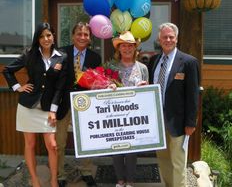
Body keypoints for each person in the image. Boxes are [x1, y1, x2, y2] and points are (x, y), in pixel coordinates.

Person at [3, 22, 67, 187]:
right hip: (28, 106)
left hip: (47, 108)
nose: (45, 39)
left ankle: (53, 180)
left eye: (48, 35)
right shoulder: (29, 54)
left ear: (53, 36)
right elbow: (7, 70)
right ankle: (35, 181)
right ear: (37, 39)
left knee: (52, 146)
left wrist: (53, 110)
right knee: (30, 144)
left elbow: (59, 87)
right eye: (41, 36)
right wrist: (18, 87)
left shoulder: (62, 57)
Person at [148, 22, 200, 187]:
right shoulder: (154, 61)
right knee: (163, 159)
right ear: (159, 39)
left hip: (178, 122)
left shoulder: (189, 62)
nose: (168, 40)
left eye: (171, 37)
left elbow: (193, 95)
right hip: (158, 120)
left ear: (177, 39)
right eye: (165, 37)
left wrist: (190, 122)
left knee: (178, 162)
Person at [56, 22, 101, 187]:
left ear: (89, 38)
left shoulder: (95, 58)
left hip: (85, 104)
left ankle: (86, 171)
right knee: (59, 142)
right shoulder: (61, 53)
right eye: (79, 34)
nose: (82, 37)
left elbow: (97, 82)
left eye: (86, 35)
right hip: (62, 104)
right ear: (73, 36)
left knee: (86, 140)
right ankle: (60, 174)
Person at [111, 31, 149, 187]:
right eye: (123, 46)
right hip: (115, 114)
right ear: (119, 49)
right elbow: (104, 87)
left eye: (130, 46)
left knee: (132, 149)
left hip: (135, 115)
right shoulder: (112, 67)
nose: (127, 49)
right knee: (116, 148)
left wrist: (145, 87)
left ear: (135, 48)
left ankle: (130, 181)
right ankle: (120, 180)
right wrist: (109, 86)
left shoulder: (143, 68)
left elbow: (149, 92)